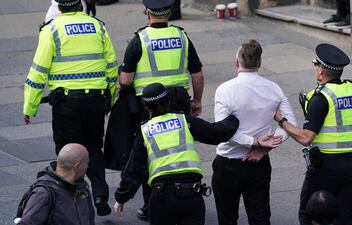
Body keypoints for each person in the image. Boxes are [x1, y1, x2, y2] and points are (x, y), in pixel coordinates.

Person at [23, 0, 118, 216]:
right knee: (93, 146)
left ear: (60, 7)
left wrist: (30, 105)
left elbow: (38, 71)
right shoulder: (98, 26)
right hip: (95, 100)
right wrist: (109, 98)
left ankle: (74, 197)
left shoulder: (51, 29)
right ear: (79, 6)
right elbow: (111, 65)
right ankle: (101, 195)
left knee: (67, 151)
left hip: (66, 103)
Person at [112, 0, 205, 219]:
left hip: (150, 104)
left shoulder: (139, 40)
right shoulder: (182, 37)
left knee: (151, 150)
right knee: (180, 146)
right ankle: (185, 192)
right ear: (170, 12)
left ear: (147, 14)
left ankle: (150, 205)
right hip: (180, 101)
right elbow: (197, 74)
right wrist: (197, 101)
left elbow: (126, 80)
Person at [275, 43, 352, 225]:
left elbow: (306, 138)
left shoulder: (321, 98)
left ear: (320, 71)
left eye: (316, 66)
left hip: (326, 168)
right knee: (345, 217)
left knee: (309, 214)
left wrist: (282, 121)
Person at [113, 83, 254, 225]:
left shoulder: (145, 131)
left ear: (147, 107)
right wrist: (234, 117)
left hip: (162, 197)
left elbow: (133, 169)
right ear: (168, 102)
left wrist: (121, 197)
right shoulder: (184, 121)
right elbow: (217, 133)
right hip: (191, 195)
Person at [212, 39, 296, 225]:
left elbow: (222, 131)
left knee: (227, 218)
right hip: (258, 163)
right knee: (260, 218)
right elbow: (290, 124)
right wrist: (264, 147)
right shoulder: (273, 88)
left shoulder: (224, 90)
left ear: (236, 63)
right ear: (259, 63)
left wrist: (255, 142)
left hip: (228, 164)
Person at [18, 144, 95, 225]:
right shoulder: (43, 193)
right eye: (87, 163)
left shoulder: (81, 188)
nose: (87, 166)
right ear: (77, 167)